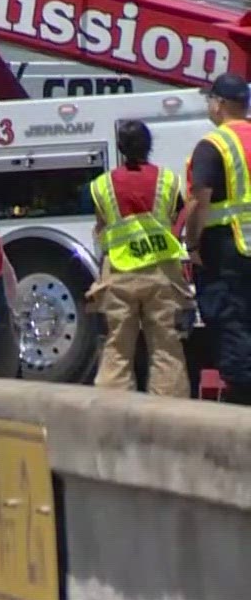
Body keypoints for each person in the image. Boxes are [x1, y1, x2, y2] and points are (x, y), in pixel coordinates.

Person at [86, 119, 191, 397]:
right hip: (161, 272)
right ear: (149, 146)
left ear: (120, 148)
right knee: (167, 348)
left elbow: (101, 227)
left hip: (119, 272)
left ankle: (114, 415)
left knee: (117, 348)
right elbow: (179, 215)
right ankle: (170, 417)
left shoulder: (102, 185)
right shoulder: (168, 180)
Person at [182, 72, 251, 405]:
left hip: (228, 253)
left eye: (210, 99)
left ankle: (241, 403)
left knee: (231, 324)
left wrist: (191, 244)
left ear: (221, 104)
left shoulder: (214, 145)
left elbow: (199, 200)